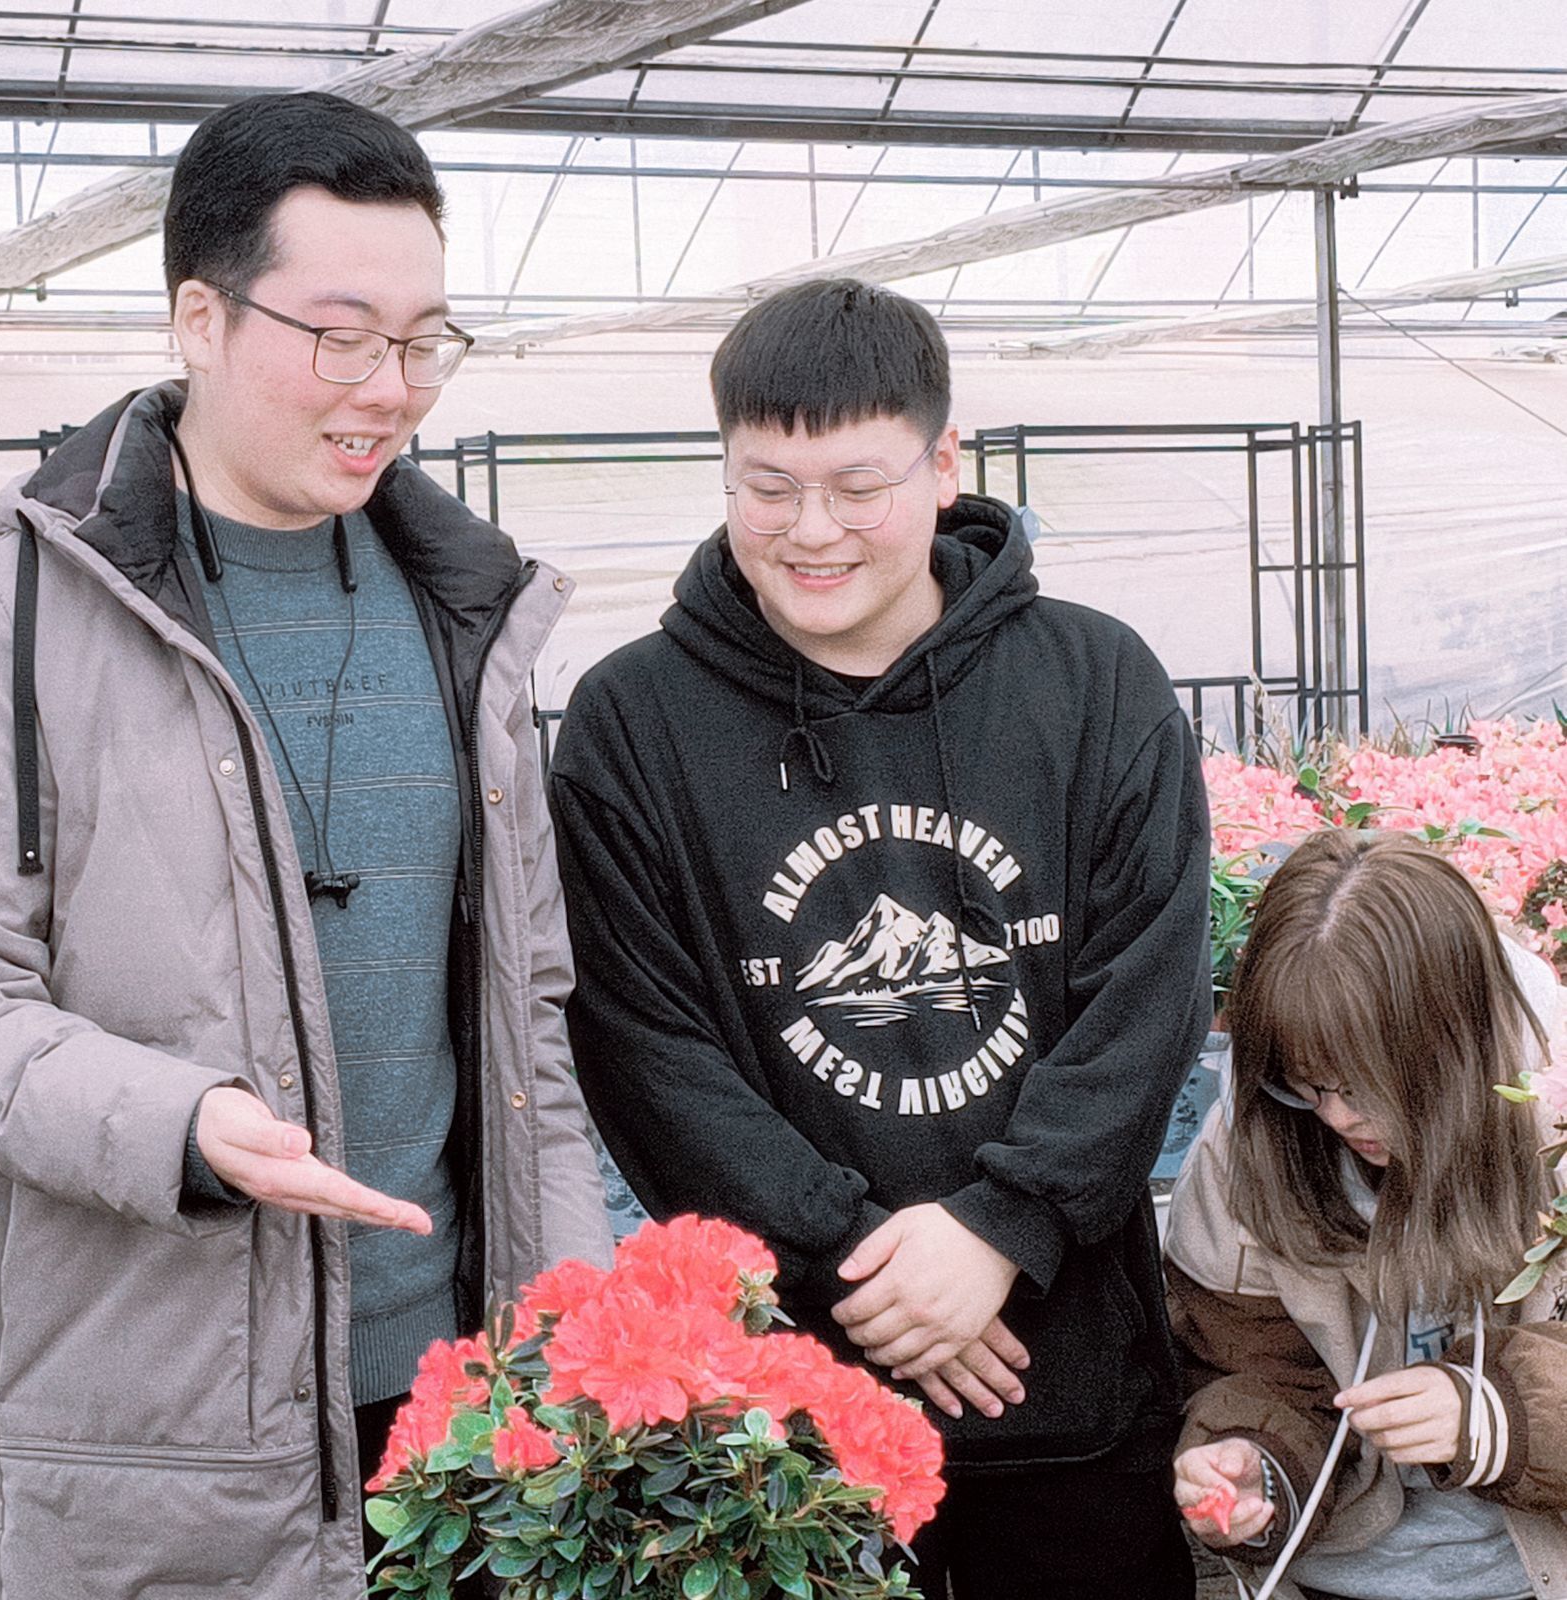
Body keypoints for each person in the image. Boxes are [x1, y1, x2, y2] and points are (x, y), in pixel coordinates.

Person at [0, 90, 611, 1600]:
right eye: (340, 337)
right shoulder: (7, 621)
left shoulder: (469, 620)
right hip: (160, 1456)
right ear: (198, 317)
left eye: (424, 341)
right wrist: (180, 1123)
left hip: (466, 1431)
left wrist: (572, 1307)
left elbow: (527, 1011)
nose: (389, 390)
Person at [547, 277, 1212, 1598]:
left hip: (1068, 1388)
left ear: (943, 462)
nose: (812, 531)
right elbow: (646, 1045)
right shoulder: (633, 722)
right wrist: (868, 1265)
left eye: (859, 488)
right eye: (767, 487)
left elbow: (1148, 997)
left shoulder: (1094, 682)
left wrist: (1001, 1225)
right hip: (784, 1419)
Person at [1166, 828, 1567, 1600]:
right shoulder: (1247, 1142)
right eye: (1308, 1082)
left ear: (1456, 1045)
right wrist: (1251, 1459)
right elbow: (1245, 1363)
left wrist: (1496, 1417)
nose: (1337, 1116)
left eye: (1366, 1084)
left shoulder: (1556, 1113)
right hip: (1335, 1574)